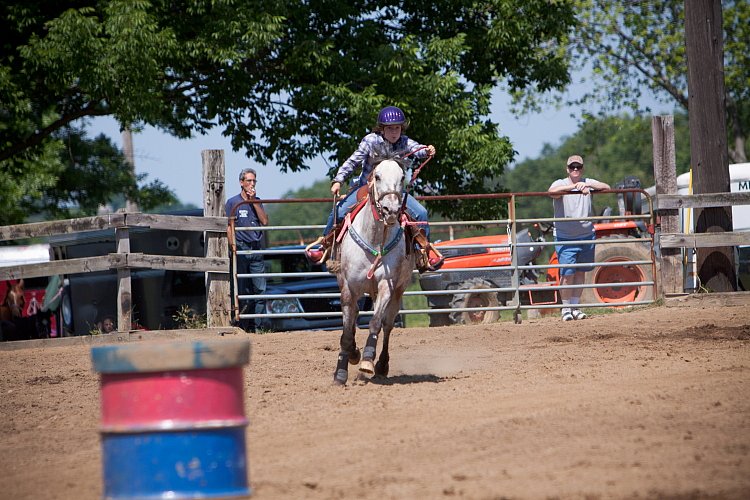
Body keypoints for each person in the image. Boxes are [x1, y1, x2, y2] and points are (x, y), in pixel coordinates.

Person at [305, 105, 443, 272]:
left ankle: (424, 253)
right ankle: (324, 247)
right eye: (390, 128)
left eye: (397, 128)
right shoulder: (371, 141)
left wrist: (428, 150)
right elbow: (353, 161)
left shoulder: (405, 142)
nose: (394, 132)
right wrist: (338, 180)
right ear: (381, 129)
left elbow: (418, 150)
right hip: (366, 187)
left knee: (421, 213)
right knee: (339, 211)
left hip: (393, 192)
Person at [548, 155, 610, 322]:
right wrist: (574, 187)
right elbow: (551, 193)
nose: (575, 170)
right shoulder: (560, 183)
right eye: (572, 167)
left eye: (578, 167)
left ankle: (575, 307)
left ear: (582, 168)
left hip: (586, 235)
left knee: (581, 272)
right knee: (567, 274)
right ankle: (566, 308)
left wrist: (588, 185)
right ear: (567, 169)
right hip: (565, 237)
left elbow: (607, 187)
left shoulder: (587, 182)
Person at [226, 168, 268, 332]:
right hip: (241, 248)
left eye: (254, 181)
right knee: (243, 290)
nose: (252, 184)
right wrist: (233, 246)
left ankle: (259, 327)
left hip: (256, 248)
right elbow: (229, 226)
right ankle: (243, 326)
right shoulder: (233, 202)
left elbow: (264, 221)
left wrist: (254, 202)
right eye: (249, 181)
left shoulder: (257, 201)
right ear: (241, 183)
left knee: (260, 290)